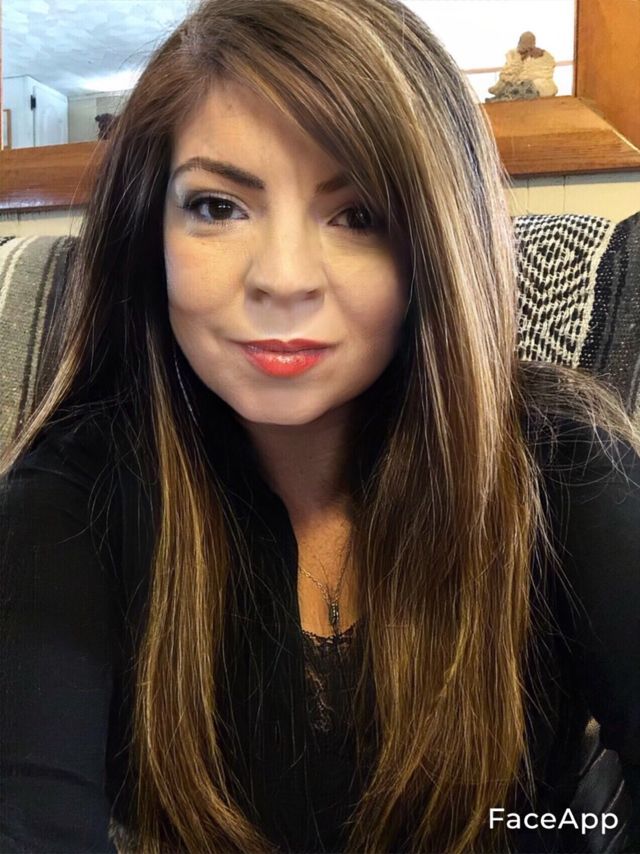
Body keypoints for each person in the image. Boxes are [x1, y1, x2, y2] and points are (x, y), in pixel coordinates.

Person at [1, 1, 639, 852]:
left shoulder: (561, 463)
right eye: (218, 207)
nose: (284, 279)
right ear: (146, 233)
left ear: (437, 246)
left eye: (358, 214)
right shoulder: (72, 494)